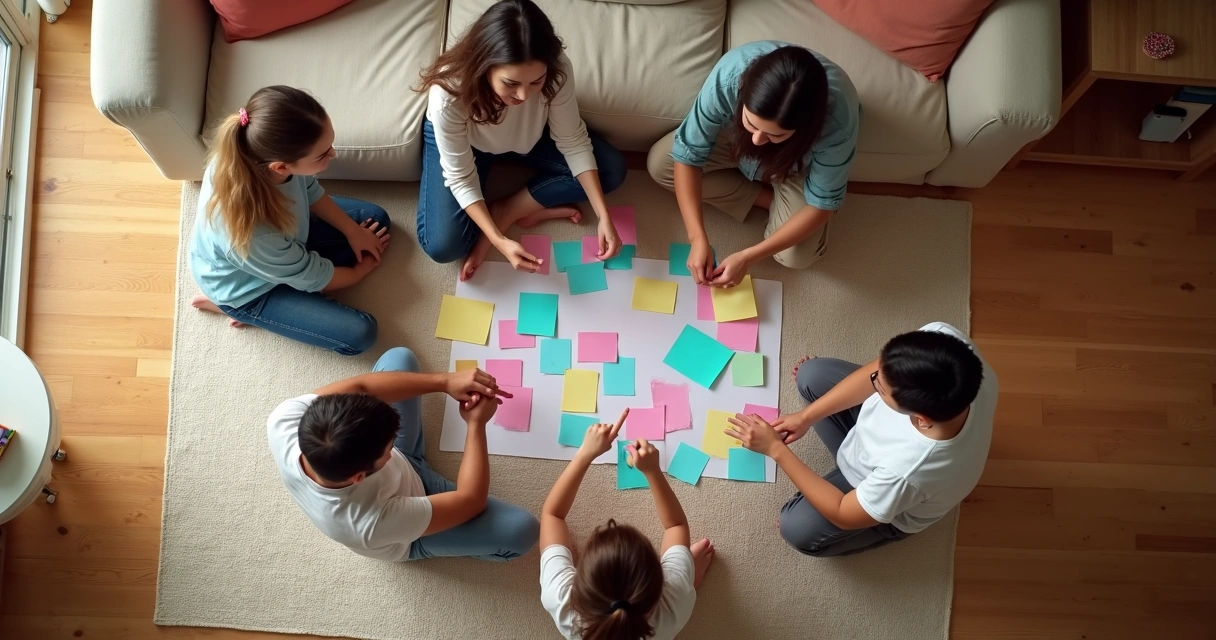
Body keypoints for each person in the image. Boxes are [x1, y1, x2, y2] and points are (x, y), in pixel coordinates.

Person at [724, 322, 997, 557]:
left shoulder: (909, 471)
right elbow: (878, 369)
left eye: (880, 388)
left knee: (796, 528)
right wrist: (806, 417)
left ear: (921, 419)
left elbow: (843, 514)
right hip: (874, 448)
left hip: (887, 496)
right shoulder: (946, 342)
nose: (873, 379)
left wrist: (776, 449)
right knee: (811, 374)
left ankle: (869, 530)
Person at [416, 0, 628, 281]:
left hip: (528, 137)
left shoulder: (557, 68)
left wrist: (604, 215)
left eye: (536, 82)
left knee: (611, 170)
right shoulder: (448, 94)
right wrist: (497, 240)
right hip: (467, 142)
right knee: (444, 246)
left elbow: (573, 140)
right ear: (484, 67)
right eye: (511, 84)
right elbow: (461, 178)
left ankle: (508, 210)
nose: (524, 96)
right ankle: (504, 215)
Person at [266, 346, 539, 561]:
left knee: (399, 358)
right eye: (389, 446)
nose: (394, 440)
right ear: (359, 476)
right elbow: (471, 501)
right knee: (523, 531)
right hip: (409, 531)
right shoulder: (370, 522)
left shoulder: (285, 419)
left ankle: (401, 456)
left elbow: (363, 388)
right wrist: (476, 424)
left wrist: (445, 381)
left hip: (401, 470)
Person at [188, 85, 392, 355]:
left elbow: (310, 191)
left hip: (283, 241)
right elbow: (312, 275)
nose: (333, 154)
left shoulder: (257, 156)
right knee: (360, 334)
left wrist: (353, 231)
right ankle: (241, 311)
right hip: (250, 290)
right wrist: (358, 273)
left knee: (375, 221)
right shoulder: (254, 234)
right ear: (281, 166)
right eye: (323, 154)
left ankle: (284, 297)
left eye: (329, 145)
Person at [647, 41, 860, 287]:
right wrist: (697, 238)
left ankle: (785, 205)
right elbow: (688, 154)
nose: (757, 140)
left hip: (795, 165)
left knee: (796, 256)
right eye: (751, 122)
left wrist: (748, 257)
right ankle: (767, 200)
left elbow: (822, 204)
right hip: (732, 140)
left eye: (774, 134)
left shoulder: (836, 123)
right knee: (660, 164)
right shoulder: (728, 78)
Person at [539, 410, 715, 640]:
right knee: (683, 581)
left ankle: (686, 569)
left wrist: (585, 453)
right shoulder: (674, 601)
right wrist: (653, 471)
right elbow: (676, 526)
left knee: (682, 579)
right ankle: (689, 575)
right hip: (674, 600)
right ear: (661, 584)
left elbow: (552, 515)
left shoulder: (564, 602)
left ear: (579, 585)